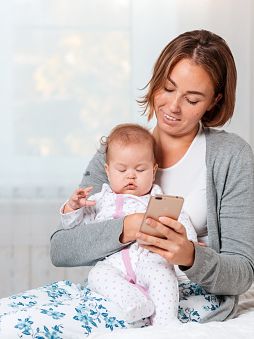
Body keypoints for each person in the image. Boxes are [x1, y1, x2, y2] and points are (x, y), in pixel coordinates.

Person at [0, 29, 254, 338]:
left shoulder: (232, 157)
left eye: (192, 99)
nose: (173, 107)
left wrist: (189, 255)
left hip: (183, 296)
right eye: (167, 88)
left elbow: (241, 274)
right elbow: (62, 249)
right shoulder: (118, 152)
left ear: (213, 101)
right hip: (118, 286)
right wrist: (130, 226)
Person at [60, 123, 197, 326]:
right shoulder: (100, 200)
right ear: (107, 171)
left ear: (153, 170)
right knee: (97, 275)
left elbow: (179, 221)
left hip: (149, 258)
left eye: (140, 169)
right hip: (114, 263)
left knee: (164, 273)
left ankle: (167, 321)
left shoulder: (157, 198)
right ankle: (133, 301)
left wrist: (191, 243)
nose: (131, 175)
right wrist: (73, 208)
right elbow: (73, 229)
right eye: (122, 169)